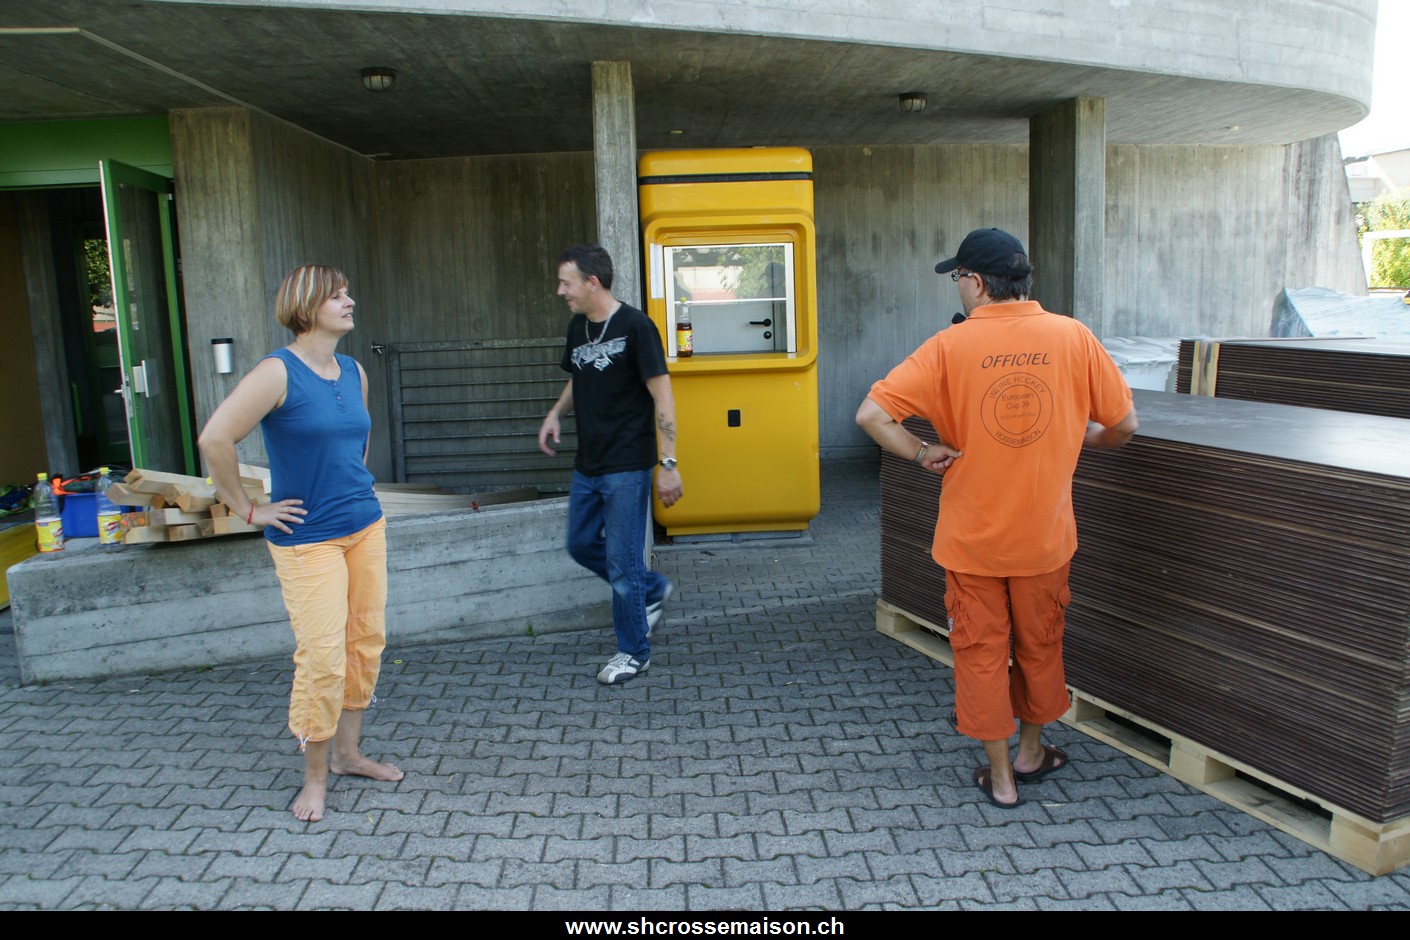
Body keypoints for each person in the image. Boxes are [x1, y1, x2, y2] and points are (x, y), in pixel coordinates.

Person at [856, 228, 1137, 809]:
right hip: (1044, 539)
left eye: (958, 277)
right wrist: (1082, 440)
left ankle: (1002, 778)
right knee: (1041, 645)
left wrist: (922, 453)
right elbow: (1124, 425)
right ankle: (1033, 752)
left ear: (978, 283)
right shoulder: (1073, 336)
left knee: (980, 654)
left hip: (972, 543)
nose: (958, 287)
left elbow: (872, 416)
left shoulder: (946, 347)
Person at [198, 264, 403, 823]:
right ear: (307, 307)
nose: (349, 301)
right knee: (323, 658)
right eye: (337, 295)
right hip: (308, 539)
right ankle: (314, 780)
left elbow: (357, 441)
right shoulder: (277, 371)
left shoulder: (353, 370)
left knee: (365, 644)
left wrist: (354, 484)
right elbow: (215, 438)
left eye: (347, 292)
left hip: (365, 526)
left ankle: (348, 755)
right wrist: (248, 508)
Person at [538, 244, 683, 684]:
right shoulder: (578, 326)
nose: (560, 291)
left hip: (627, 464)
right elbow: (579, 374)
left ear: (592, 282)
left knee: (622, 564)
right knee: (581, 544)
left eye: (566, 282)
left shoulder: (636, 327)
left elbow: (663, 397)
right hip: (589, 463)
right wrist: (555, 414)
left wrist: (669, 463)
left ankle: (634, 652)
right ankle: (651, 589)